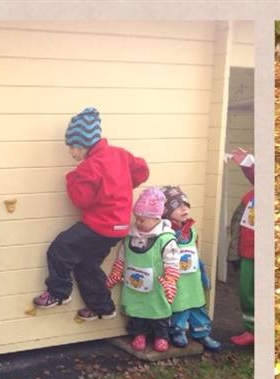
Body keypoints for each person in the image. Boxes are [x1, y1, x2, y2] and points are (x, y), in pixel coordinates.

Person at [33, 108, 149, 316]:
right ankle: (102, 308)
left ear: (83, 144)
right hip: (120, 227)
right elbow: (142, 169)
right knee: (86, 264)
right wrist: (125, 184)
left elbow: (81, 200)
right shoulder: (120, 154)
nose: (71, 153)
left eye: (72, 148)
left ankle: (58, 293)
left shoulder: (89, 166)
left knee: (60, 249)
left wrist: (71, 179)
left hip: (99, 225)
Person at [105, 187, 181, 351]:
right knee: (137, 311)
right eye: (137, 219)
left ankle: (161, 336)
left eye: (143, 220)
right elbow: (122, 257)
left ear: (156, 219)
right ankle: (139, 334)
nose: (138, 223)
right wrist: (117, 272)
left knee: (159, 312)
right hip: (135, 287)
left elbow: (172, 261)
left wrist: (170, 280)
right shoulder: (131, 237)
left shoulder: (166, 239)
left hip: (157, 286)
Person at [162, 188, 221, 351]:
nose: (185, 209)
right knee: (179, 306)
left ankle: (202, 333)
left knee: (197, 306)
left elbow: (195, 253)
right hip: (177, 280)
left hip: (193, 280)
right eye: (178, 206)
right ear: (166, 211)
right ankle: (178, 331)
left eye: (186, 205)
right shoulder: (165, 233)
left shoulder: (192, 230)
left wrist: (203, 274)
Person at [225, 147, 256, 348]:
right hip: (246, 252)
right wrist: (247, 162)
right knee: (246, 292)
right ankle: (251, 329)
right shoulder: (248, 198)